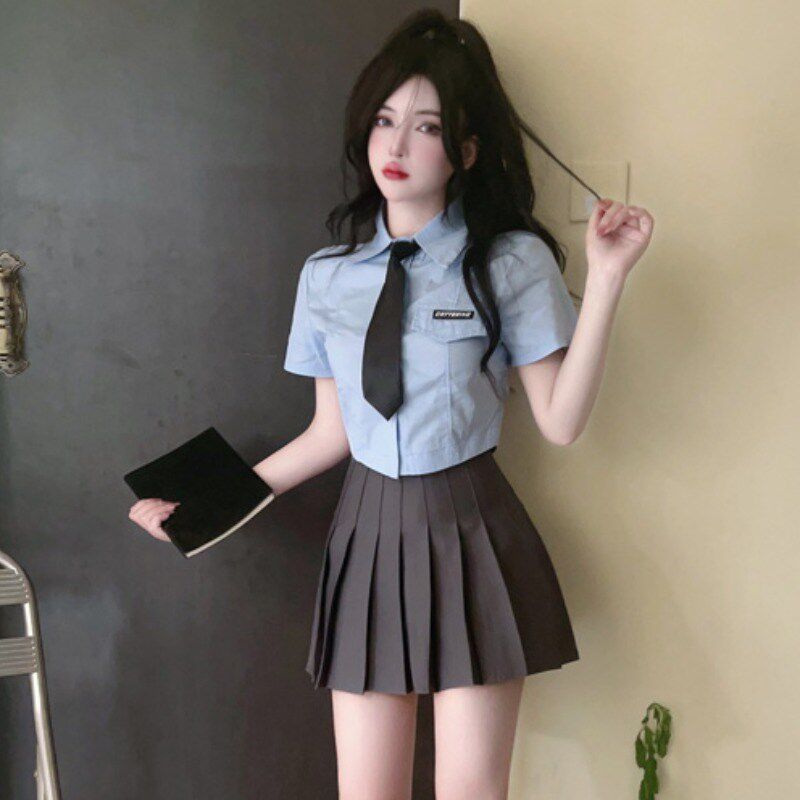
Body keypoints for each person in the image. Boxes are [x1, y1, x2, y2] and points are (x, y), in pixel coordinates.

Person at [129, 8, 653, 798]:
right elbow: (328, 434)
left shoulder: (510, 261)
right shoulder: (326, 276)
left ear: (465, 151)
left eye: (426, 127)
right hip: (367, 538)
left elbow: (561, 422)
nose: (397, 146)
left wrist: (607, 279)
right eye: (383, 120)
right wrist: (197, 509)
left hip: (471, 531)